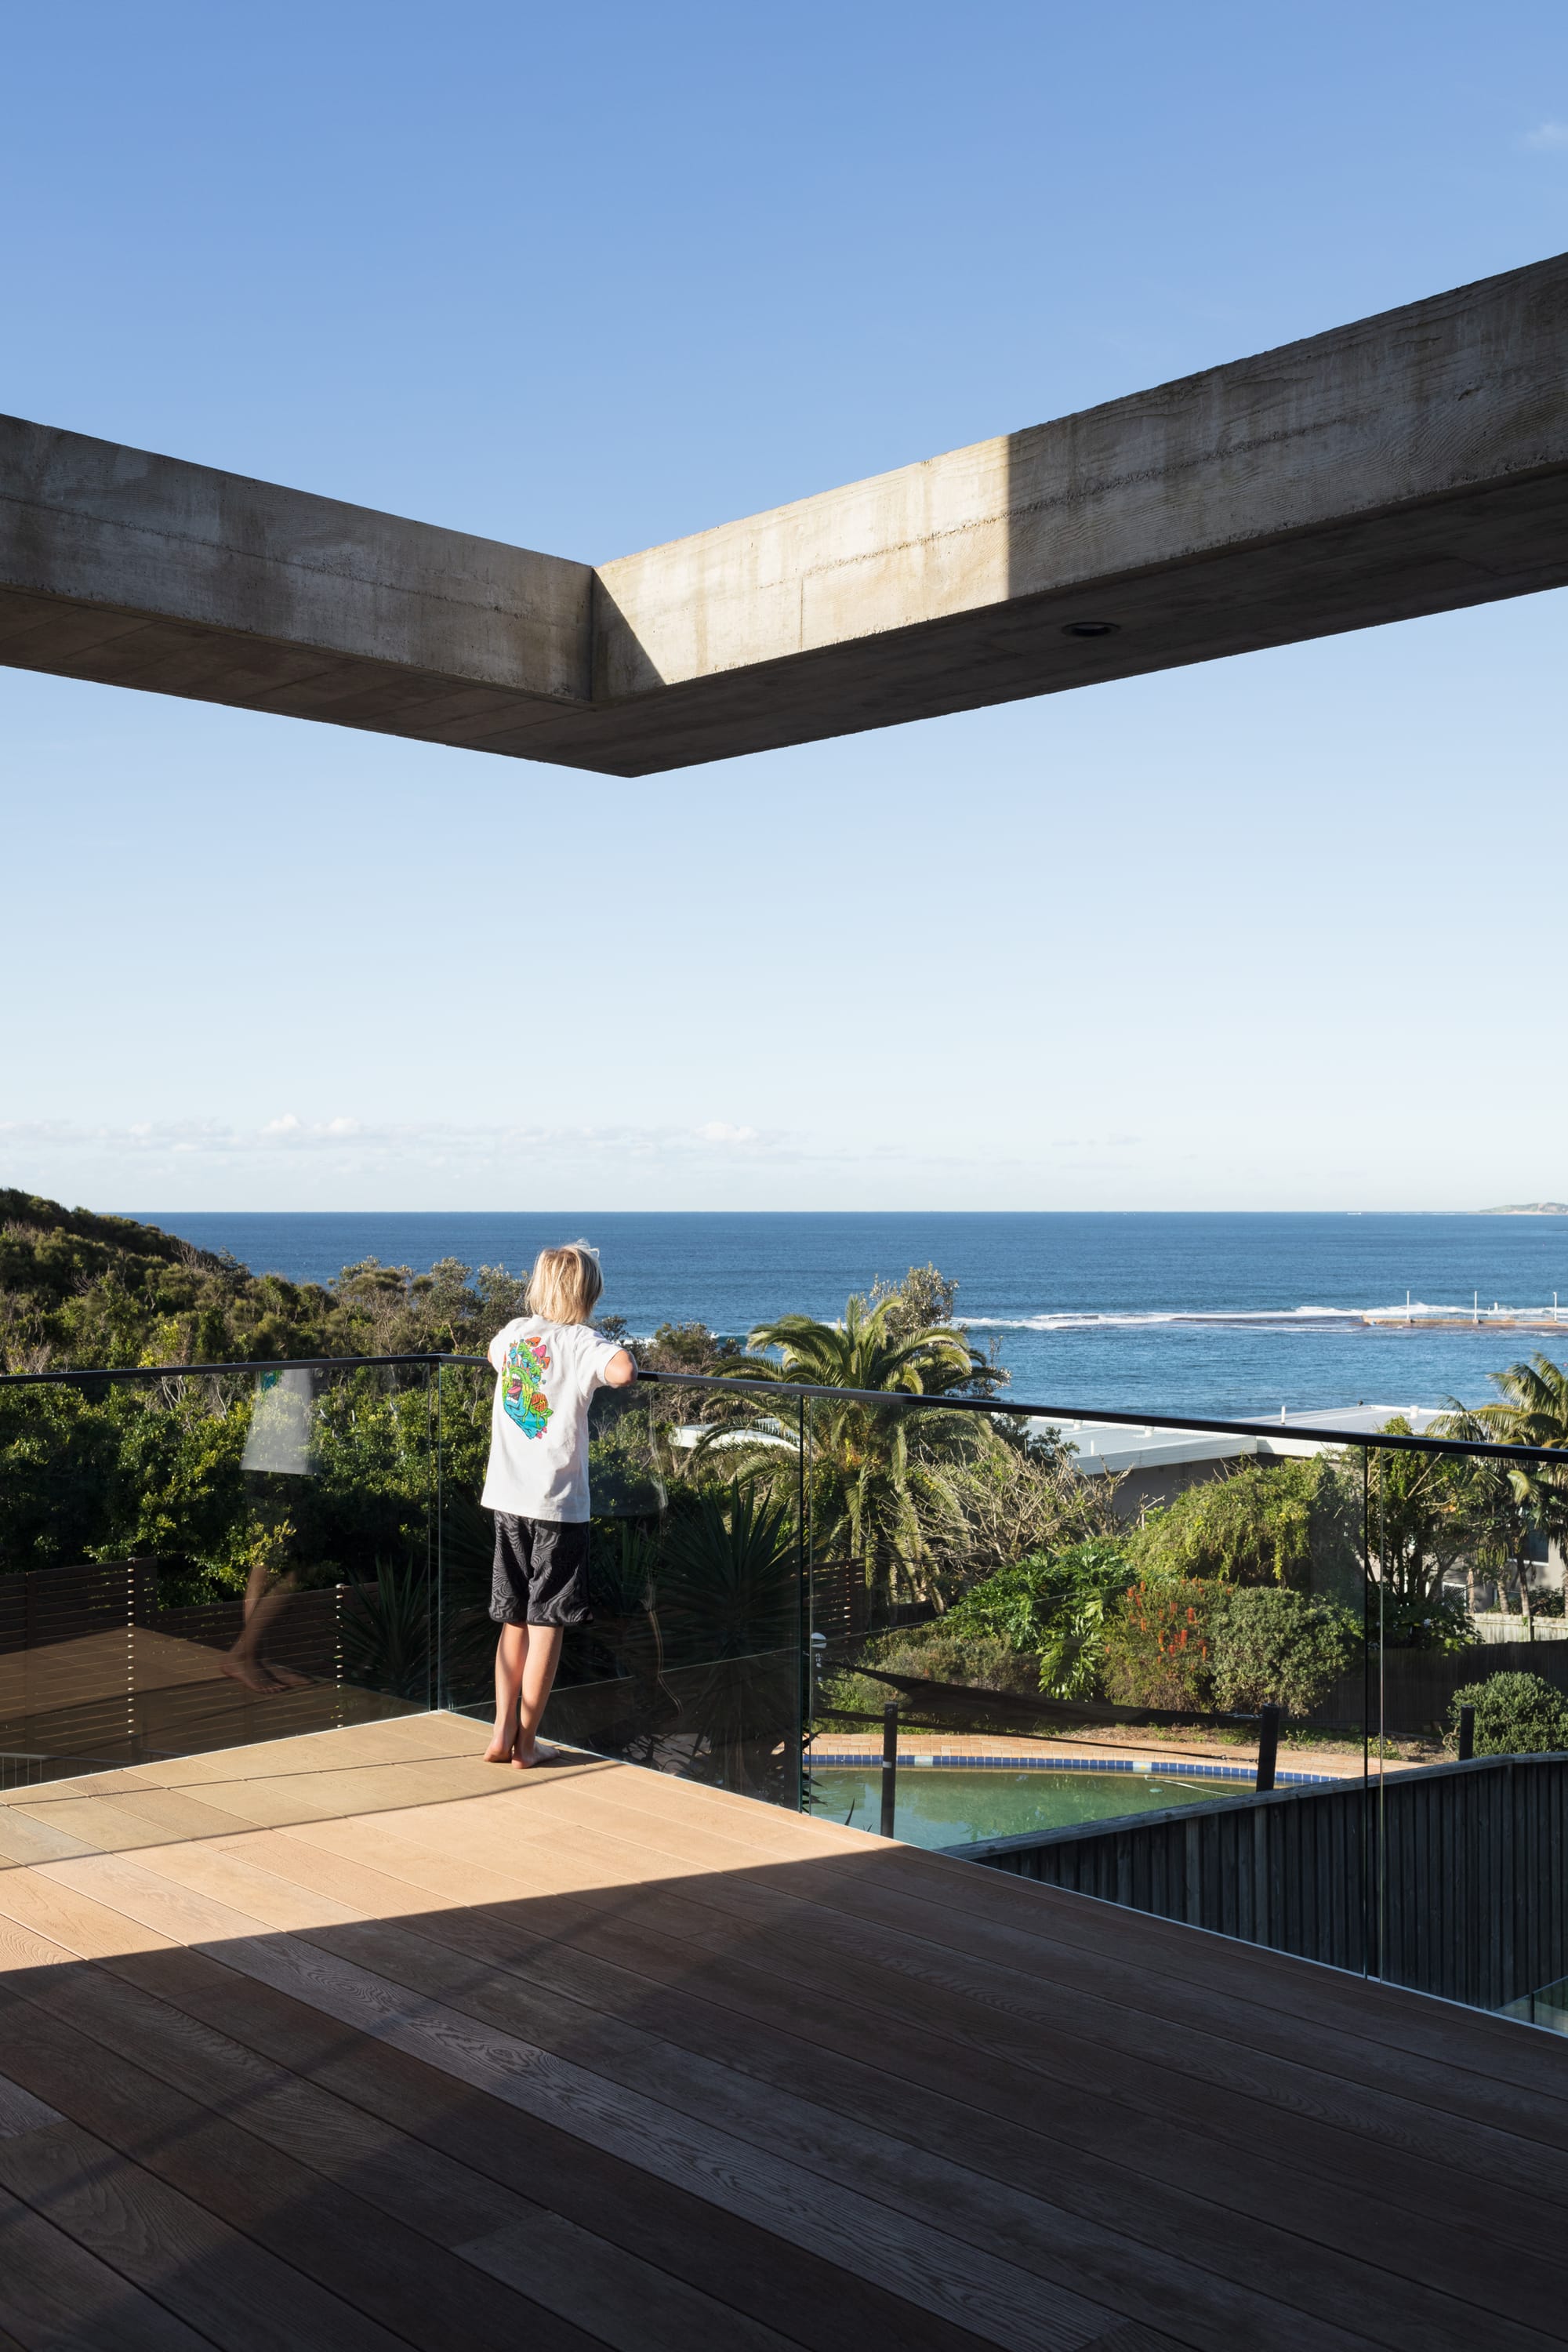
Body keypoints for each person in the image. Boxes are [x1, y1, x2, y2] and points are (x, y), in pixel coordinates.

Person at [481, 1242, 635, 1767]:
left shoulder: (514, 1334)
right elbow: (623, 1372)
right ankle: (527, 1744)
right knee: (548, 1620)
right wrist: (606, 1346)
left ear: (539, 1288)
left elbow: (494, 1355)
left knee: (513, 1618)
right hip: (557, 1505)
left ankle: (501, 1732)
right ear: (589, 1294)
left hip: (507, 1498)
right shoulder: (581, 1342)